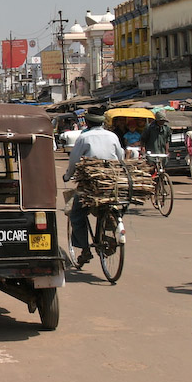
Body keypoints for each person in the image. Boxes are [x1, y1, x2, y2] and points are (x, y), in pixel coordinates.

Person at [62, 107, 125, 266]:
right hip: (111, 182)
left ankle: (85, 250)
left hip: (91, 184)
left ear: (88, 122)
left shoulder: (84, 137)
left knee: (76, 215)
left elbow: (74, 161)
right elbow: (120, 156)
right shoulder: (112, 136)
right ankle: (110, 223)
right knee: (117, 204)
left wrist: (68, 176)